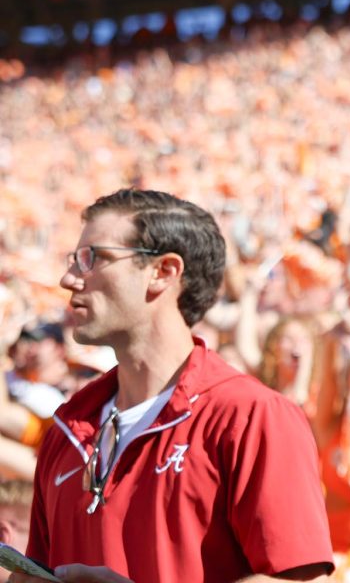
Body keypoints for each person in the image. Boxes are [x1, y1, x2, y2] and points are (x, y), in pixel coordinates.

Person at [17, 188, 333, 583]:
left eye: (92, 259)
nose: (69, 279)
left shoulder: (250, 415)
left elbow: (301, 581)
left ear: (163, 272)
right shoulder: (68, 426)